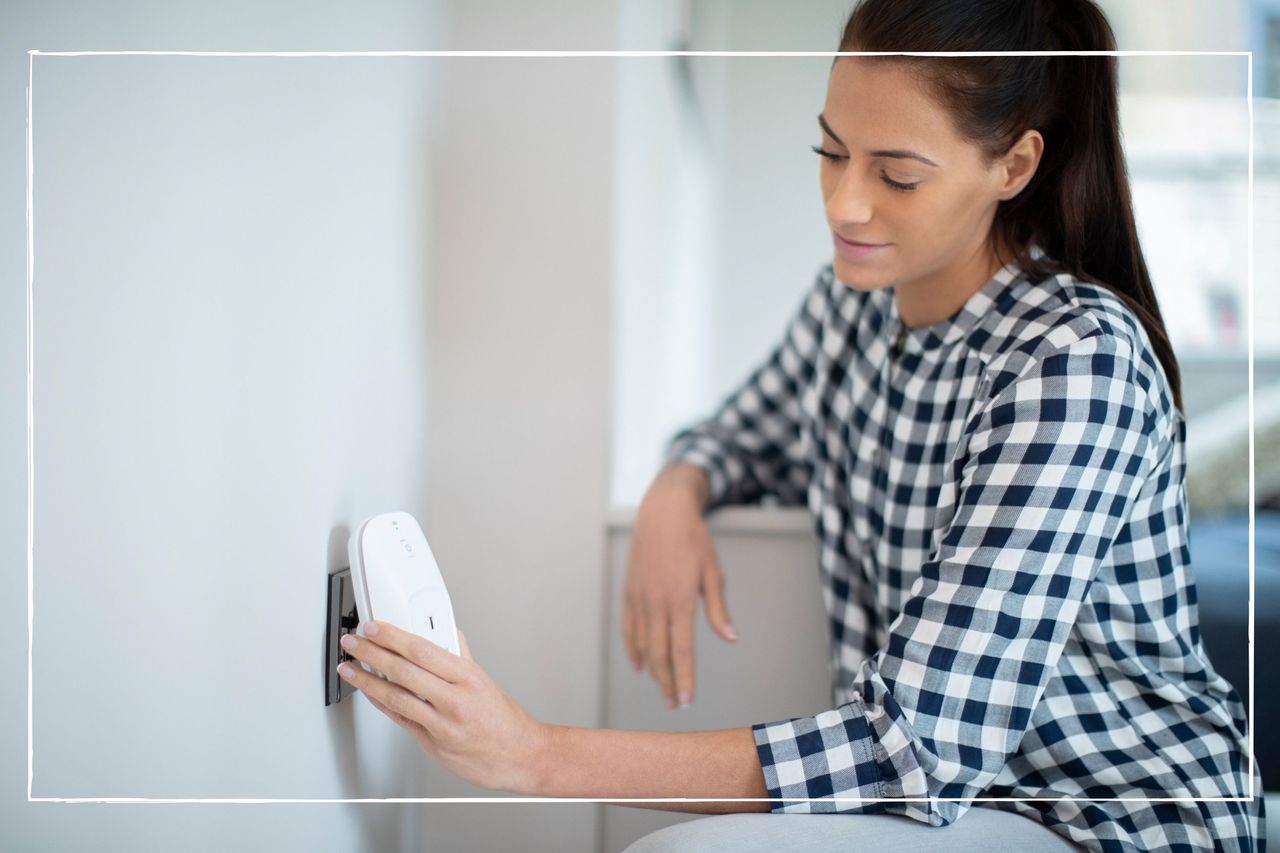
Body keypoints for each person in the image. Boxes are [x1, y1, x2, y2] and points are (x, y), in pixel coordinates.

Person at [333, 0, 1265, 850]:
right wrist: (675, 490)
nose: (843, 202)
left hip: (1115, 815)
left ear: (1014, 166)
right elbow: (740, 436)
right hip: (974, 803)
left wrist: (534, 754)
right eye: (831, 151)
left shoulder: (1072, 362)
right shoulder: (853, 307)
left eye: (896, 176)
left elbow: (913, 750)